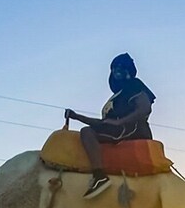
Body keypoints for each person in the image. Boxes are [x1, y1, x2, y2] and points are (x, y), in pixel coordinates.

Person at [65, 53, 156, 199]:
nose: (117, 70)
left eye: (121, 67)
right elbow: (103, 124)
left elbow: (145, 108)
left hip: (130, 130)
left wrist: (119, 122)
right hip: (117, 129)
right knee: (88, 132)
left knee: (87, 132)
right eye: (114, 68)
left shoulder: (134, 84)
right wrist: (77, 116)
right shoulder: (118, 96)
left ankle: (99, 175)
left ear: (128, 71)